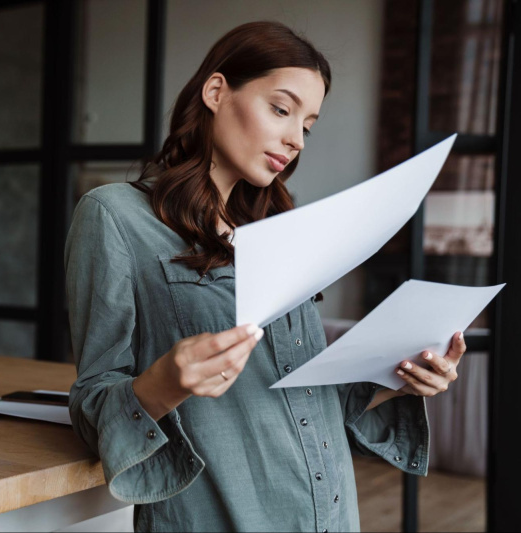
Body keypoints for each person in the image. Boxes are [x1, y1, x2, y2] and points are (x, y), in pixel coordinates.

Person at [65, 21, 465, 532]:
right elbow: (91, 404)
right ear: (216, 91)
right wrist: (163, 384)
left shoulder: (280, 232)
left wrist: (404, 376)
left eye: (308, 125)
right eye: (281, 109)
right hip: (219, 516)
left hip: (332, 512)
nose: (296, 139)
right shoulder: (116, 217)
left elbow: (310, 400)